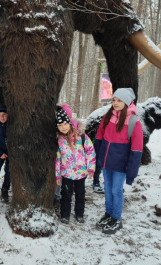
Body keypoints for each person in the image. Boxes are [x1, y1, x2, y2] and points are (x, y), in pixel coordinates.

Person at [95, 88, 143, 234]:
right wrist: (96, 158)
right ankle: (108, 214)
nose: (115, 103)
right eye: (114, 100)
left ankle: (116, 218)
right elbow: (99, 137)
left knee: (116, 190)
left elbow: (136, 150)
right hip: (106, 162)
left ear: (128, 102)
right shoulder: (107, 117)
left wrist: (131, 173)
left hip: (121, 165)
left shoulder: (134, 122)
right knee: (107, 189)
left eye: (119, 100)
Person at [55, 107, 95, 224]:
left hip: (81, 173)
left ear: (70, 122)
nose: (64, 127)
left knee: (80, 194)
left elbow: (90, 151)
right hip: (66, 173)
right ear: (57, 127)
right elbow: (57, 158)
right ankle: (65, 215)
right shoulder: (59, 140)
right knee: (66, 194)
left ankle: (79, 214)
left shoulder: (81, 136)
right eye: (60, 125)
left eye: (65, 123)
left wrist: (91, 167)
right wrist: (57, 175)